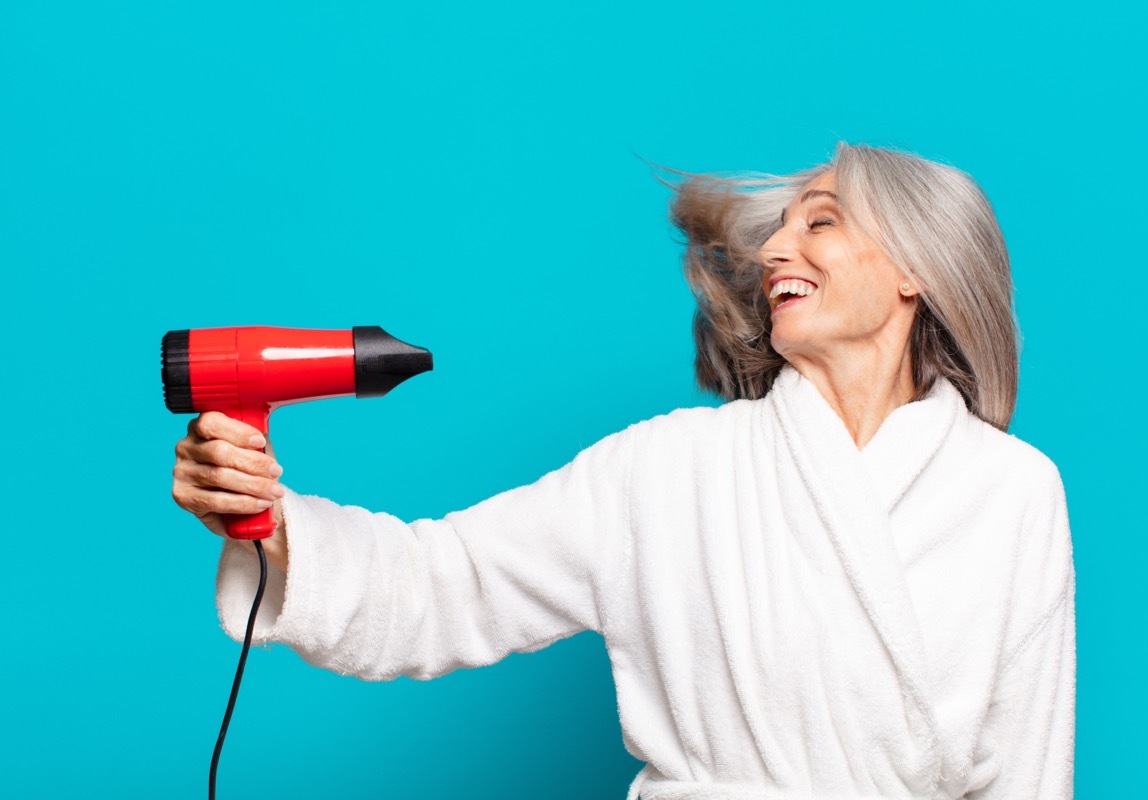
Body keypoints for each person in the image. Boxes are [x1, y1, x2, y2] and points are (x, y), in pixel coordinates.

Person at [171, 142, 1076, 799]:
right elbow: (445, 585)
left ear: (918, 267)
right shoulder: (668, 468)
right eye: (779, 230)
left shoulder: (1012, 489)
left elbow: (1033, 768)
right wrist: (273, 522)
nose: (772, 253)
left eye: (822, 223)